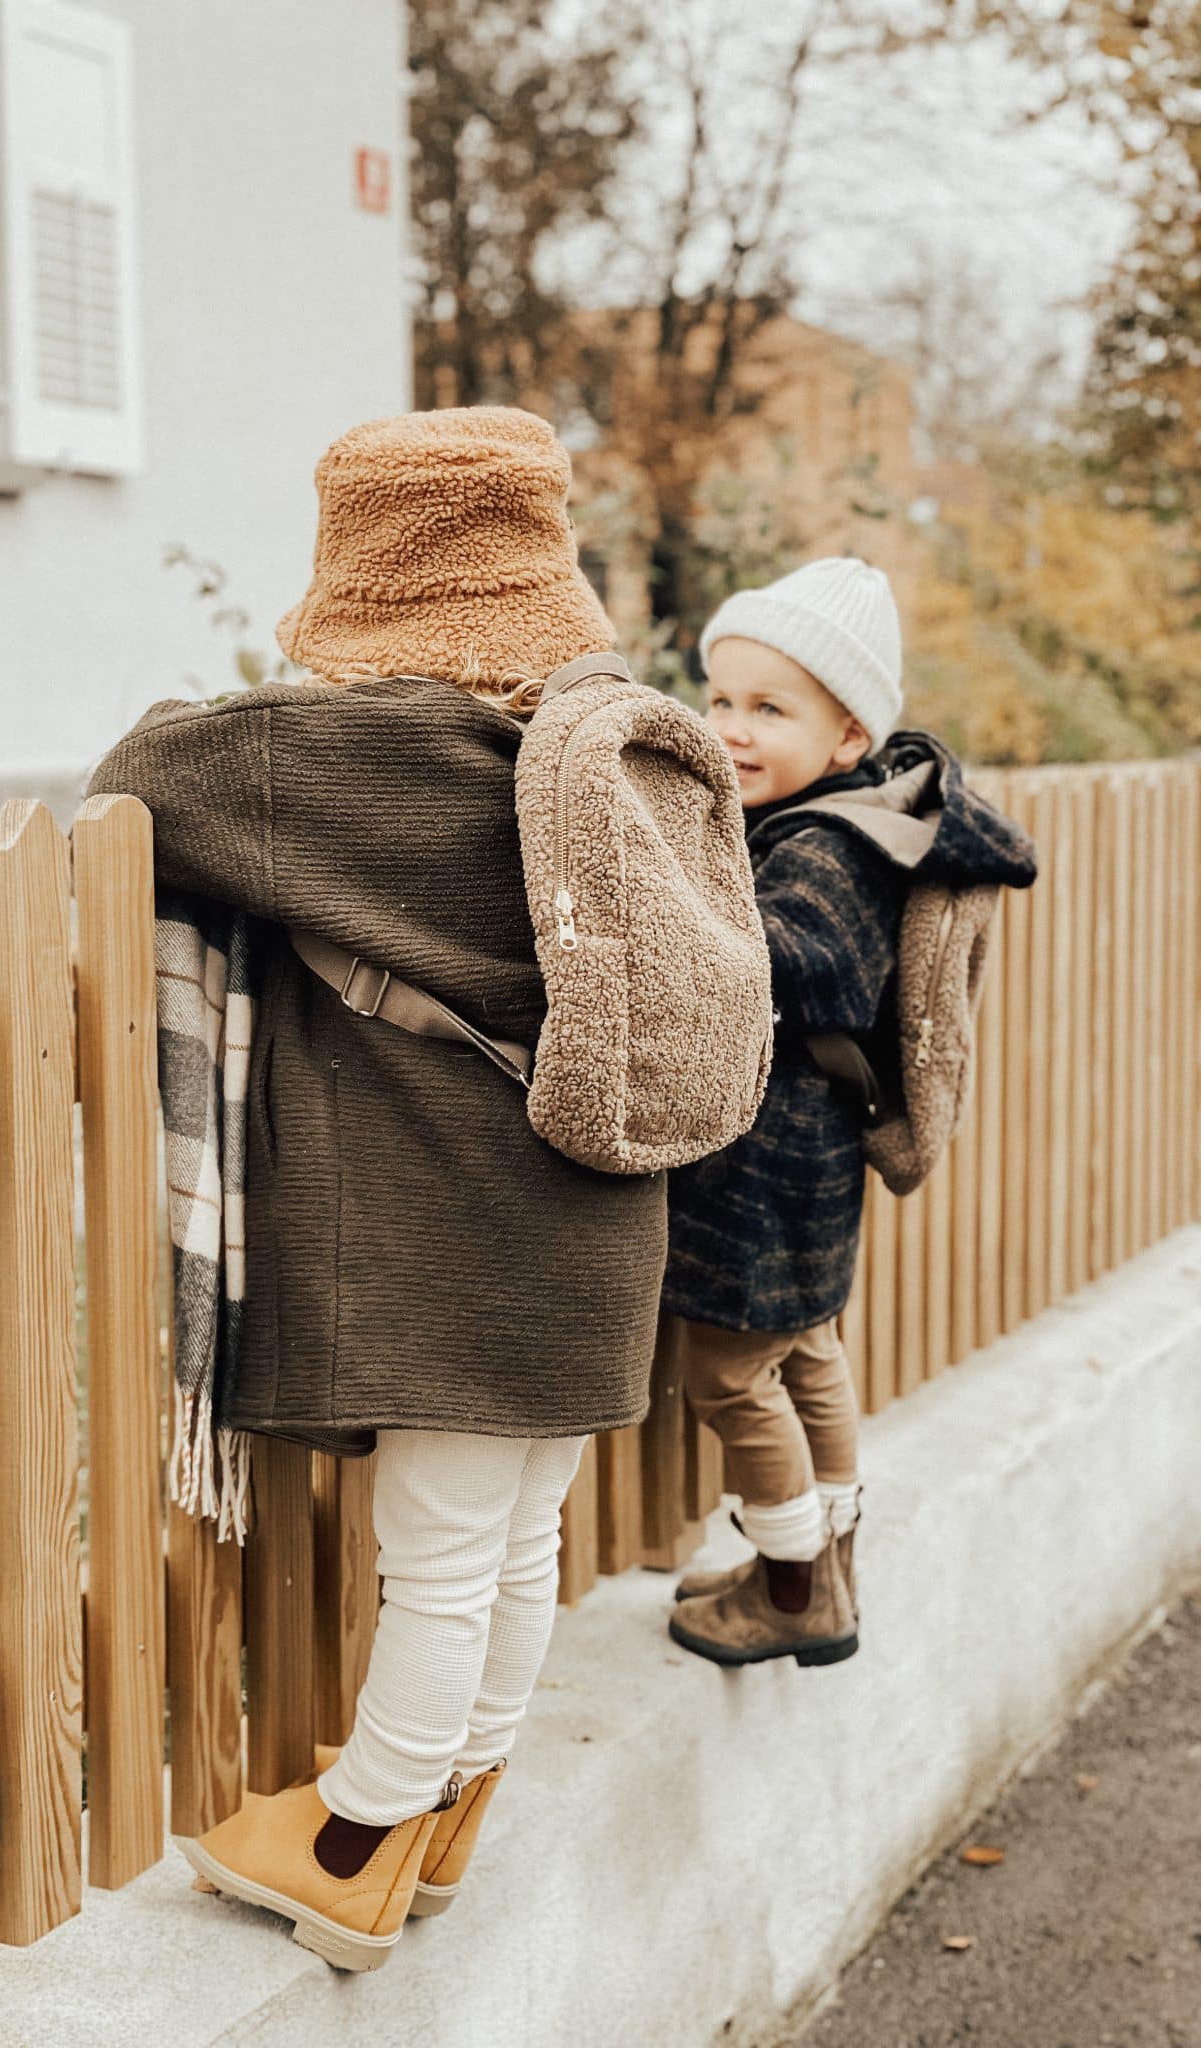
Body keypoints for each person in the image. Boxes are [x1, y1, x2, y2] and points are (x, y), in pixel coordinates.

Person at [88, 407, 667, 1969]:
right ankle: (453, 1805)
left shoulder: (342, 755)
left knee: (437, 1556)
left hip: (453, 1249)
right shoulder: (611, 750)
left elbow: (138, 775)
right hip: (602, 1230)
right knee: (522, 1536)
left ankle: (355, 1839)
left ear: (365, 574)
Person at [665, 556, 1034, 1669]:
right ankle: (826, 1563)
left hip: (766, 1166)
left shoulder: (827, 845)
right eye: (720, 698)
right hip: (808, 1158)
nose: (730, 728)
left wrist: (674, 906)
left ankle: (792, 1589)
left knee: (730, 1375)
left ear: (848, 736)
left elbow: (804, 966)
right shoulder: (847, 817)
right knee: (810, 1353)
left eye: (768, 709)